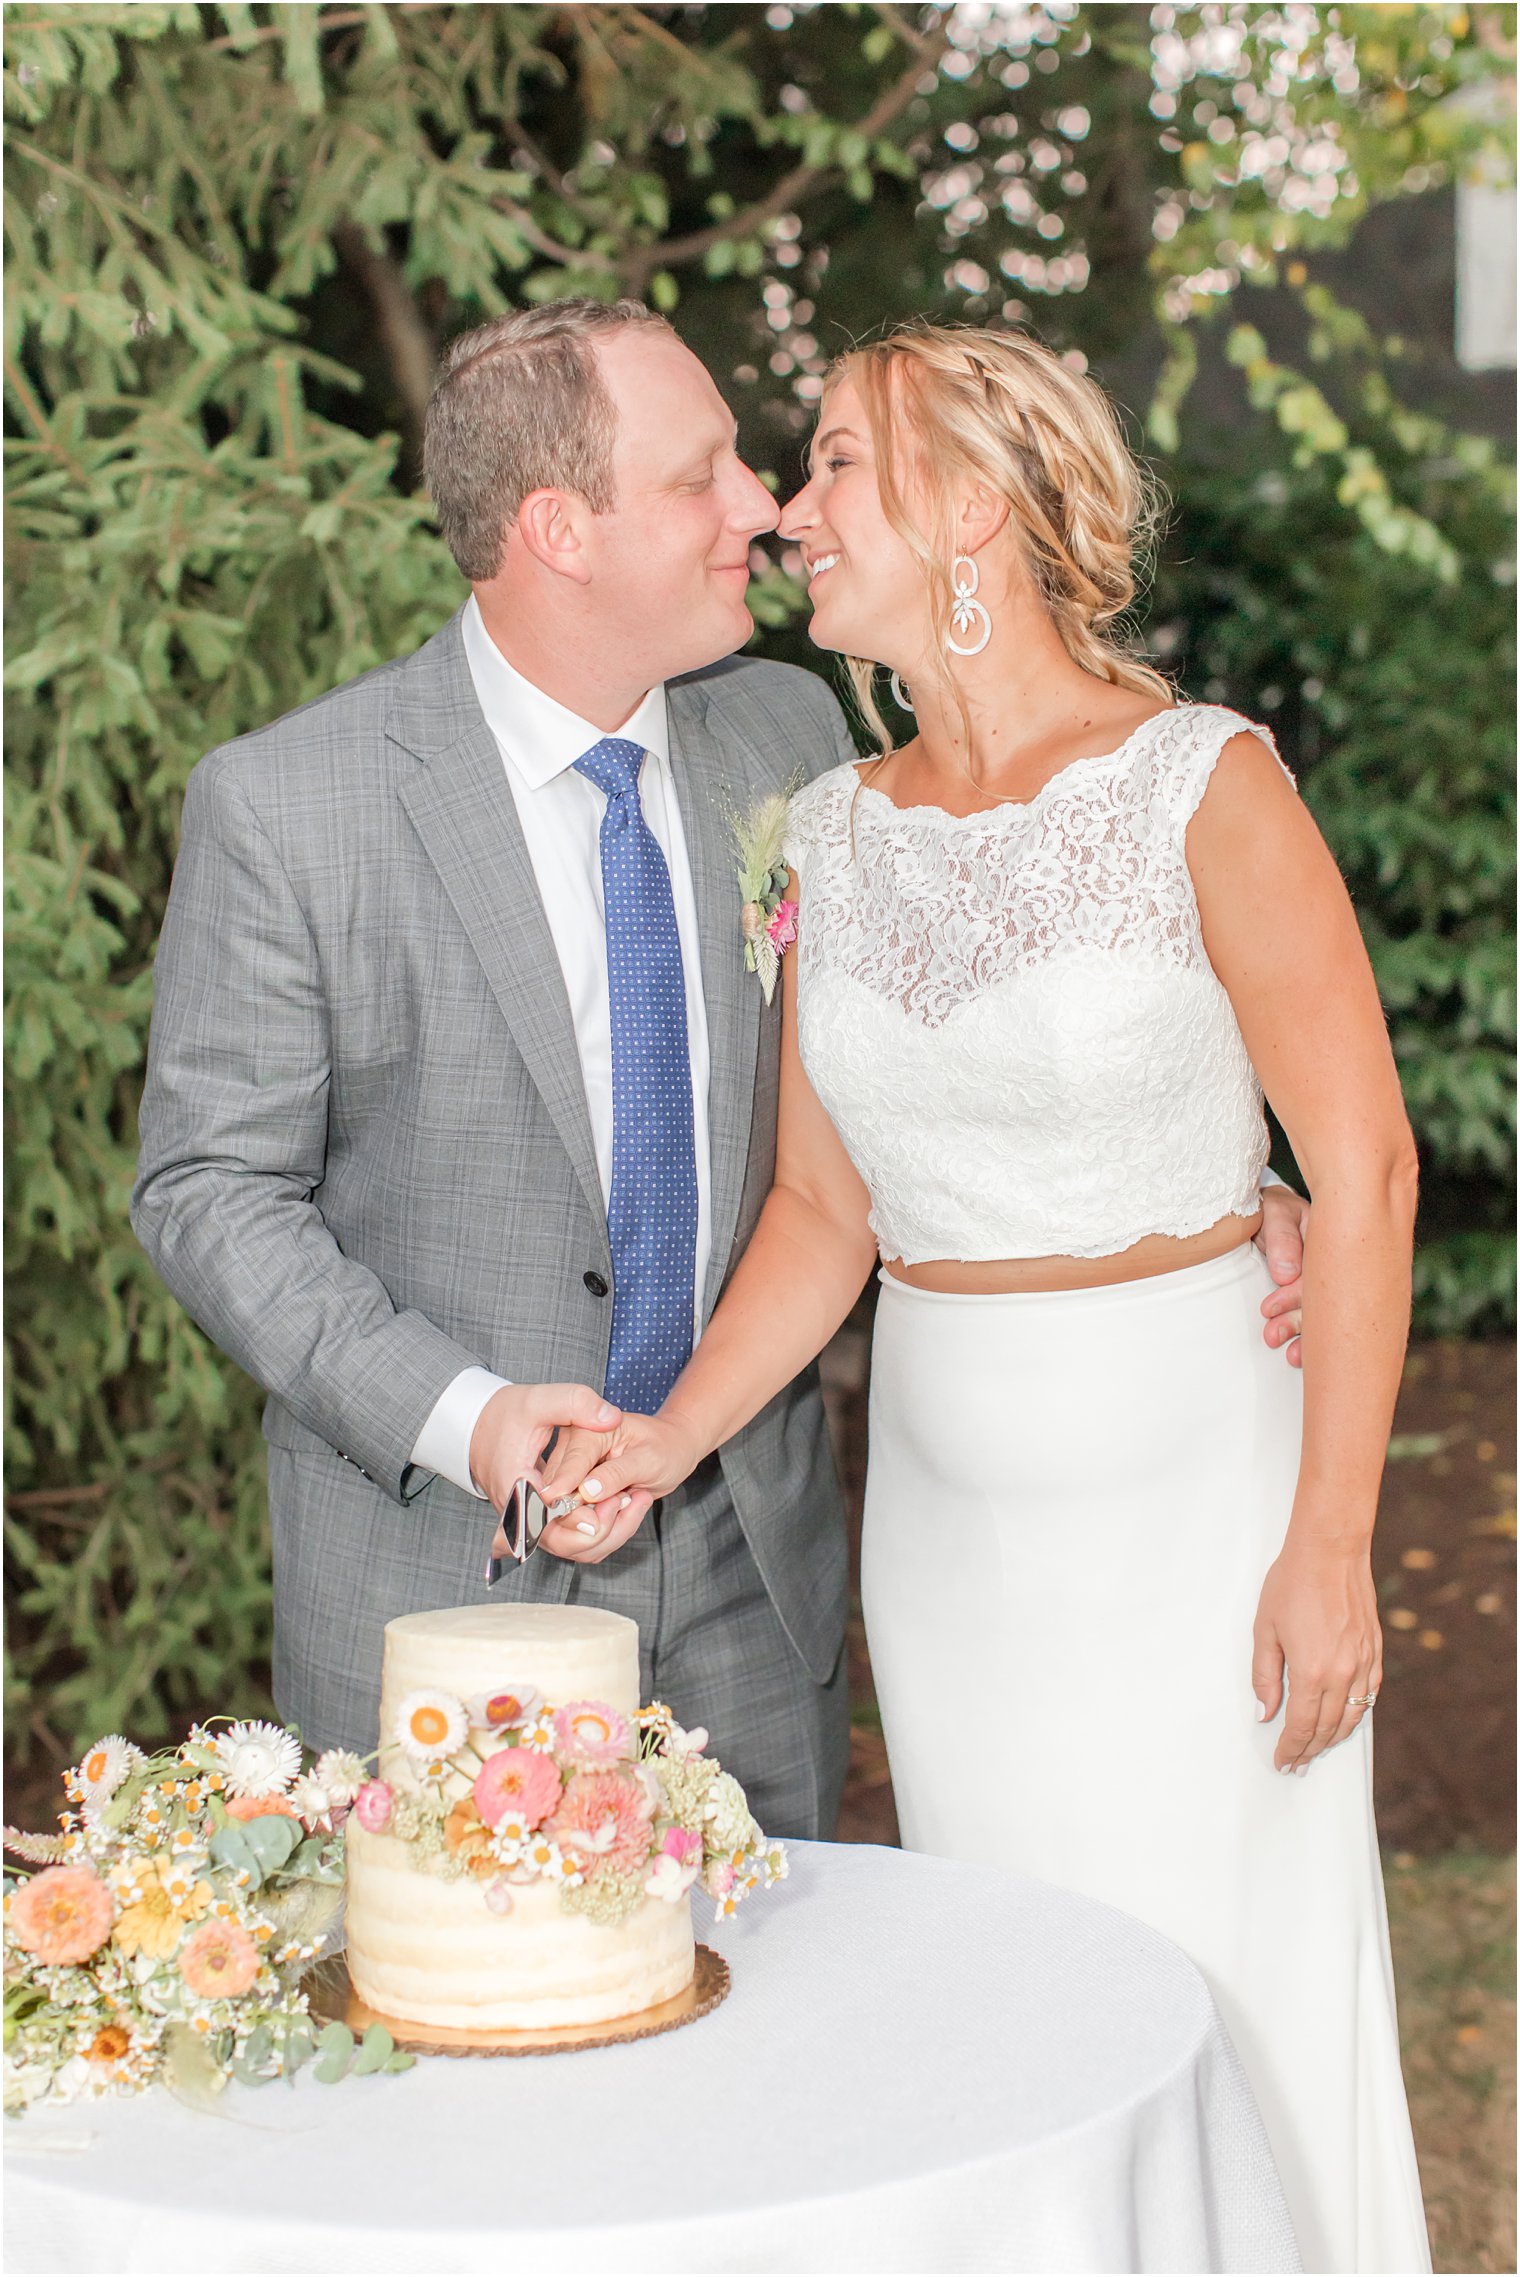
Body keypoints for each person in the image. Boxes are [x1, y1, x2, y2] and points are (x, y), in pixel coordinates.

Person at [131, 296, 1307, 1846]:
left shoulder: (790, 738)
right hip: (439, 1586)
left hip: (761, 1571)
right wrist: (471, 1417)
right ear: (560, 528)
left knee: (790, 2044)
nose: (760, 507)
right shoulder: (293, 807)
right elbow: (209, 1190)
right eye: (703, 477)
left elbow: (947, 1036)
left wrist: (1218, 1179)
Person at [537, 322, 1430, 2272]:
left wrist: (1333, 1542)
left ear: (962, 503)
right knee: (1013, 2022)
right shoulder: (834, 835)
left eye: (835, 459)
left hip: (1202, 1518)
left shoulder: (1205, 784)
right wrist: (664, 1434)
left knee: (1228, 1994)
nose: (788, 507)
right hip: (947, 1550)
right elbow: (815, 1209)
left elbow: (1357, 1166)